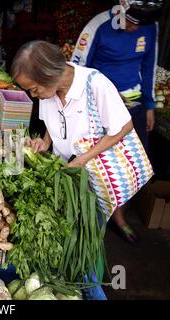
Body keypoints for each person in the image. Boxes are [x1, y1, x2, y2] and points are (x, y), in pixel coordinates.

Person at [11, 41, 135, 240]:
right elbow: (53, 123)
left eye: (34, 89)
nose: (33, 96)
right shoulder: (47, 94)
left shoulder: (95, 84)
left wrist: (83, 159)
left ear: (49, 75)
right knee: (69, 229)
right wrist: (45, 143)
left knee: (90, 231)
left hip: (95, 178)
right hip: (66, 174)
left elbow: (124, 127)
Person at [71, 0, 163, 242]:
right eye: (132, 21)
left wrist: (150, 104)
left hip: (134, 107)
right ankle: (90, 219)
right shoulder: (97, 27)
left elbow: (149, 65)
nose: (136, 28)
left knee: (131, 167)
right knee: (96, 163)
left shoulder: (151, 26)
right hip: (99, 108)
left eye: (141, 23)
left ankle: (119, 215)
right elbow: (76, 69)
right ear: (120, 11)